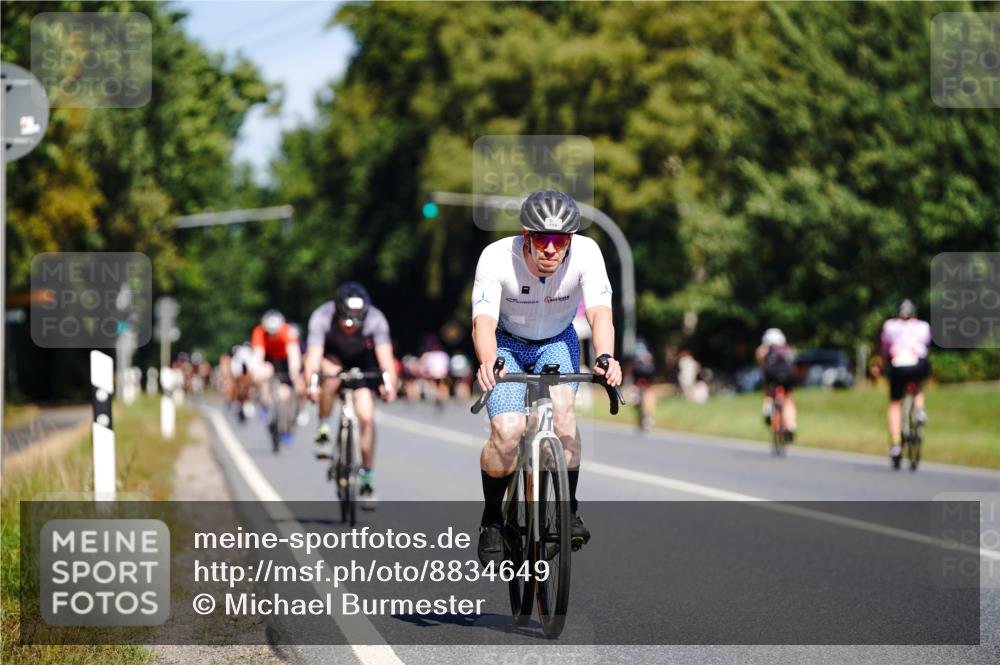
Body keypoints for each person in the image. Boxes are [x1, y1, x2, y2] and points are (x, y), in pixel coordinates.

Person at [471, 189, 623, 565]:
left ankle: (568, 509)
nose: (552, 249)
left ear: (571, 239)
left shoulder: (587, 253)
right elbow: (483, 322)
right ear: (526, 236)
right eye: (542, 239)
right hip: (506, 342)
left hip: (556, 340)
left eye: (560, 240)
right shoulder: (496, 258)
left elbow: (601, 314)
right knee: (507, 432)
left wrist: (606, 357)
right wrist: (490, 361)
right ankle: (492, 518)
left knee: (564, 412)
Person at [304, 282, 398, 506]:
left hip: (361, 361)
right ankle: (324, 429)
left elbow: (385, 357)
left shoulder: (376, 318)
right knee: (332, 375)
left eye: (355, 323)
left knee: (366, 416)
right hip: (332, 358)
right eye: (345, 323)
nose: (349, 328)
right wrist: (311, 383)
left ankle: (367, 478)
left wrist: (390, 384)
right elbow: (313, 356)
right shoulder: (322, 316)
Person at [878, 299, 931, 466]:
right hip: (918, 363)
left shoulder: (890, 326)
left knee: (895, 403)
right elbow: (926, 345)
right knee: (919, 386)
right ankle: (920, 410)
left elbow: (885, 348)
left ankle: (895, 443)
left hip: (898, 364)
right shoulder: (923, 326)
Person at [251, 309, 304, 444]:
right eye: (270, 333)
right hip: (269, 359)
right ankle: (265, 403)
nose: (273, 336)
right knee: (264, 374)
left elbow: (293, 353)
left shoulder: (287, 331)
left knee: (285, 395)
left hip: (284, 360)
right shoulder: (259, 332)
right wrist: (257, 370)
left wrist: (294, 371)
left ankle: (286, 427)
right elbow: (258, 354)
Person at [756, 328, 797, 441]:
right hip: (788, 375)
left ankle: (768, 409)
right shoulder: (788, 348)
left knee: (768, 391)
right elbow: (794, 363)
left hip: (772, 374)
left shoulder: (764, 348)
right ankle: (791, 427)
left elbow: (762, 365)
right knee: (788, 399)